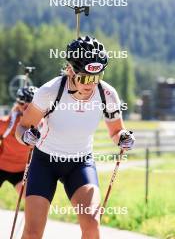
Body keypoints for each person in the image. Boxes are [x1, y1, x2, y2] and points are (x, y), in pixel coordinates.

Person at [16, 36, 135, 239]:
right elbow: (22, 128)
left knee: (91, 225)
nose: (91, 84)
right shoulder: (50, 91)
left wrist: (124, 138)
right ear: (70, 69)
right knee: (33, 232)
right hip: (45, 162)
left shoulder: (107, 94)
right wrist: (27, 137)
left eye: (96, 77)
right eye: (85, 77)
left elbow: (116, 132)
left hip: (80, 163)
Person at [0, 86, 37, 194]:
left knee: (31, 197)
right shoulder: (7, 123)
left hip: (22, 171)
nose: (25, 108)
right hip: (1, 166)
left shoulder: (42, 124)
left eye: (29, 105)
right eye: (22, 104)